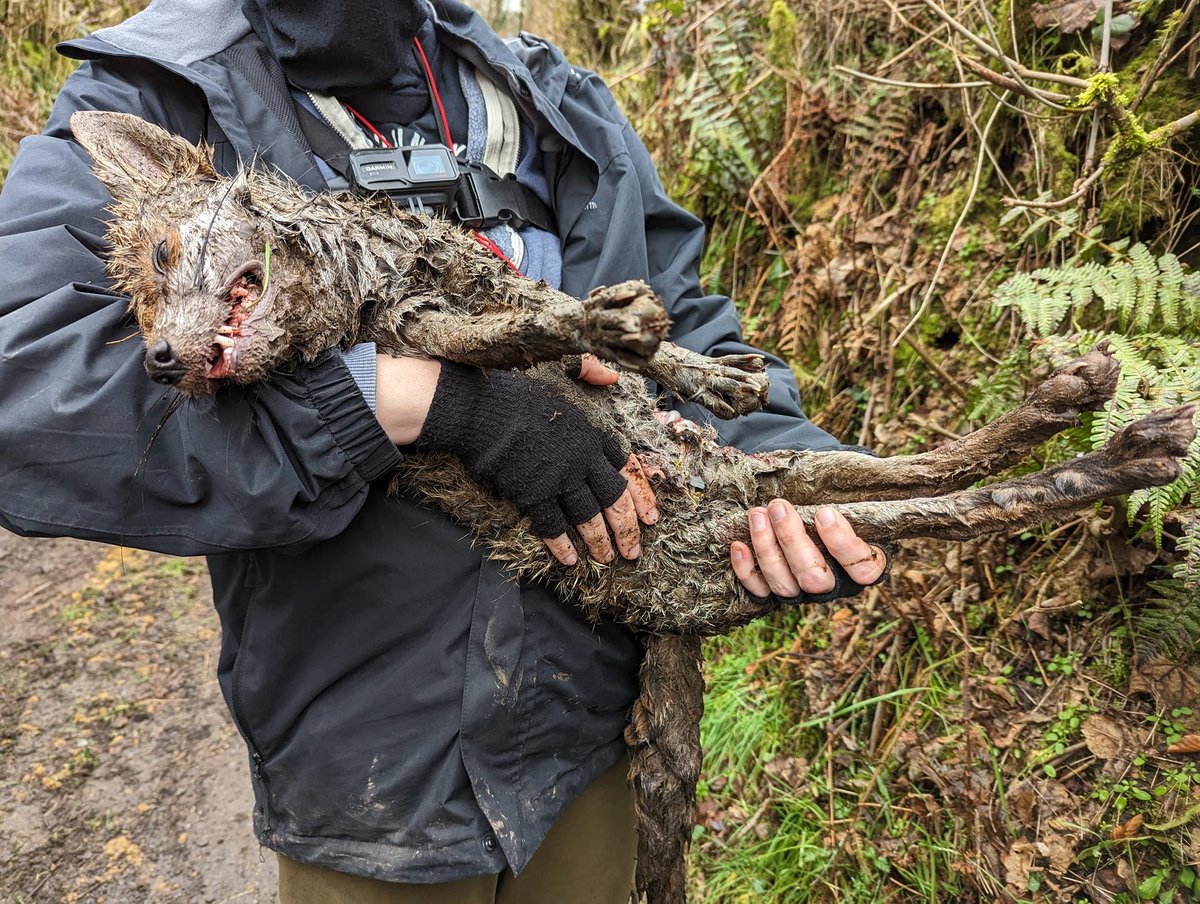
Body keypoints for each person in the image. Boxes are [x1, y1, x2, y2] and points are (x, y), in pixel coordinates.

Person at [0, 1, 891, 900]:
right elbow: (28, 390)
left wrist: (785, 471)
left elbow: (682, 320)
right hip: (374, 786)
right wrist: (420, 400)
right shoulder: (157, 96)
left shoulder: (548, 98)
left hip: (586, 739)